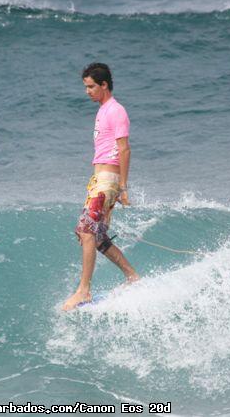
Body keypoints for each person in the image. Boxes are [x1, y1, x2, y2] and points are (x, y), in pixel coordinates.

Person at [62, 63, 140, 311]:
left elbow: (124, 149)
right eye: (86, 87)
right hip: (99, 180)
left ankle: (84, 291)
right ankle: (132, 276)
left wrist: (123, 187)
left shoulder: (116, 111)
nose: (87, 91)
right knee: (95, 237)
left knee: (86, 230)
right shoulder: (103, 110)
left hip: (108, 181)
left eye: (91, 86)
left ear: (104, 85)